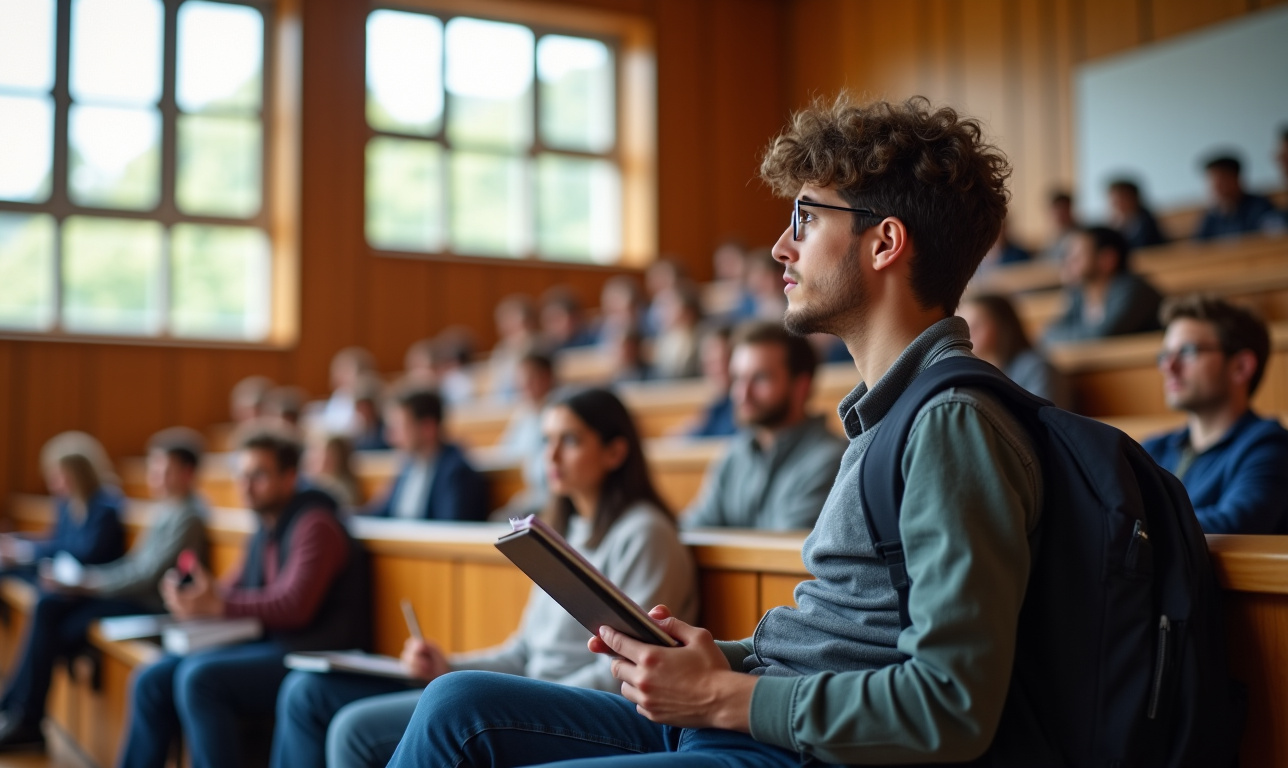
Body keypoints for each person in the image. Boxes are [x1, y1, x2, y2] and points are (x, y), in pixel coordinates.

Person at [388, 93, 1045, 766]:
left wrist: (720, 696)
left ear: (885, 243)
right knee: (456, 705)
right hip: (755, 714)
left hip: (798, 749)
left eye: (807, 218)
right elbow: (837, 635)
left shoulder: (950, 423)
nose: (781, 245)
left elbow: (951, 705)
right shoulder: (888, 416)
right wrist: (700, 660)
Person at [270, 387, 698, 768]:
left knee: (357, 730)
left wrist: (520, 693)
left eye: (569, 440)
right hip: (533, 692)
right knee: (351, 718)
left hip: (594, 706)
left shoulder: (646, 534)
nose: (549, 456)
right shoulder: (564, 532)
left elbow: (628, 667)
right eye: (546, 440)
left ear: (615, 452)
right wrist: (448, 665)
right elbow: (523, 651)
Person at [117, 428, 369, 768]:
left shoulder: (315, 524)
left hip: (313, 653)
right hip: (272, 644)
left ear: (289, 477)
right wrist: (195, 599)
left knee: (200, 678)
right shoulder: (265, 526)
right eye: (242, 475)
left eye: (259, 476)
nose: (246, 486)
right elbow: (231, 591)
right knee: (151, 678)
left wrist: (217, 603)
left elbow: (294, 606)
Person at [0, 429, 210, 753]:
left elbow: (147, 577)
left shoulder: (188, 515)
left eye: (164, 470)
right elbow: (132, 565)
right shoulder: (167, 510)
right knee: (50, 608)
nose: (155, 477)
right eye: (154, 468)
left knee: (51, 614)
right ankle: (13, 712)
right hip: (127, 595)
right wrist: (85, 581)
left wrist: (88, 583)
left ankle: (21, 717)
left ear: (187, 473)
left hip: (148, 606)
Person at [0, 431, 124, 667]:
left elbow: (86, 552)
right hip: (55, 568)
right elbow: (55, 540)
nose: (54, 483)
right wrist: (20, 544)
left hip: (77, 579)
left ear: (79, 473)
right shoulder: (67, 503)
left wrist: (26, 552)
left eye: (60, 476)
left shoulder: (104, 505)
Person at [1142, 295, 1288, 534]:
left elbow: (1234, 526)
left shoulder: (1271, 447)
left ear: (1240, 367)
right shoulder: (1152, 449)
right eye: (1165, 355)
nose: (1169, 367)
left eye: (1187, 351)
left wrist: (1135, 529)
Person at [681, 321, 845, 530]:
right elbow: (694, 529)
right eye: (738, 379)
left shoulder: (832, 461)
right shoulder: (735, 453)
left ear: (800, 387)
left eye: (760, 379)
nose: (742, 394)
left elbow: (782, 558)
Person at [361, 390, 490, 522]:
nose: (390, 438)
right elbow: (382, 512)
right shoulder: (407, 466)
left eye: (400, 427)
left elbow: (450, 532)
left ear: (428, 428)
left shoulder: (457, 473)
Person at [1040, 225, 1163, 345]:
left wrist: (1062, 338)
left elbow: (1102, 336)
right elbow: (1048, 335)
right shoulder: (1078, 294)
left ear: (1108, 259)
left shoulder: (1133, 290)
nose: (1067, 261)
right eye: (1068, 255)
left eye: (1077, 256)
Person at [960, 294, 1072, 408]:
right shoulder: (971, 372)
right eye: (965, 327)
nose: (969, 333)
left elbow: (1043, 421)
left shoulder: (1036, 368)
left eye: (977, 325)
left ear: (1003, 325)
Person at [494, 350, 556, 519]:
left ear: (547, 377)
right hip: (528, 494)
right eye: (520, 380)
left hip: (551, 497)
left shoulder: (558, 413)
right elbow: (505, 455)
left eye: (531, 378)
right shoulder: (523, 414)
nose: (524, 385)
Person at [1195, 154, 1282, 241]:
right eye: (1211, 182)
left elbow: (1276, 237)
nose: (1214, 188)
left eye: (1219, 181)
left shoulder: (1259, 206)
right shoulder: (1211, 216)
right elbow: (1198, 248)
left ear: (1236, 179)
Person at [680, 322, 737, 438]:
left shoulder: (745, 405)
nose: (712, 370)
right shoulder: (717, 405)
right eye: (707, 363)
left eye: (717, 361)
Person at [304, 432, 363, 511]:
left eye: (329, 456)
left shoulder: (342, 490)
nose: (321, 459)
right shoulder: (308, 481)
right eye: (319, 454)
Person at [1107, 178, 1167, 249]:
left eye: (1120, 199)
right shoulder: (1119, 224)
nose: (1115, 204)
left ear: (1134, 198)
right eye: (1113, 200)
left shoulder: (1146, 222)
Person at [1041, 188, 1077, 263]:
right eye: (1056, 212)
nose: (1059, 216)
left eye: (1063, 211)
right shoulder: (1052, 236)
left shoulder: (1079, 236)